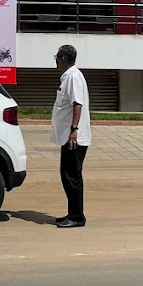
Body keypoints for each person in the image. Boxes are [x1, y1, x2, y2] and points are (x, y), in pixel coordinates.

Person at [52, 44, 91, 228]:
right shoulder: (69, 76)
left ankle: (76, 217)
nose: (56, 61)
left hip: (74, 137)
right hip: (69, 135)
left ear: (63, 59)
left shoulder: (73, 77)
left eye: (56, 58)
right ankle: (73, 213)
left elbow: (77, 104)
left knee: (72, 176)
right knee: (68, 175)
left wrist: (74, 130)